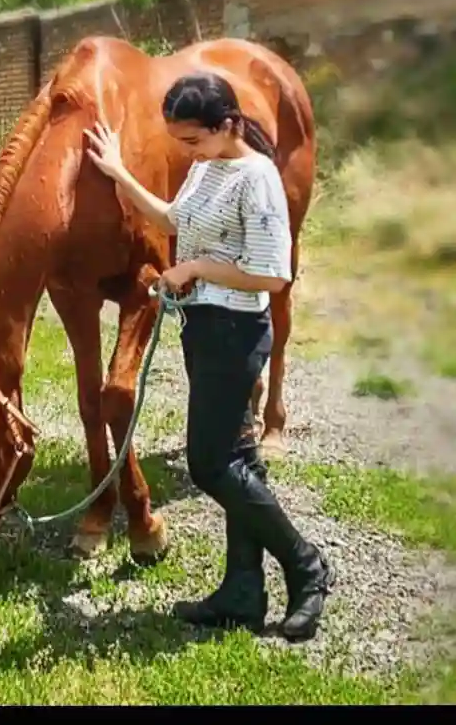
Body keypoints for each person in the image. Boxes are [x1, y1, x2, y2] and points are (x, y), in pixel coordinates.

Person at [83, 71, 335, 643]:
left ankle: (307, 566)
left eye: (194, 139)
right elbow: (175, 221)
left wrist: (194, 269)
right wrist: (119, 173)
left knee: (210, 465)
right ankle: (243, 592)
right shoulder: (207, 167)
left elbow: (274, 276)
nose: (186, 152)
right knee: (238, 461)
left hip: (236, 332)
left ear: (229, 125)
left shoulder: (258, 177)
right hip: (204, 328)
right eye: (180, 142)